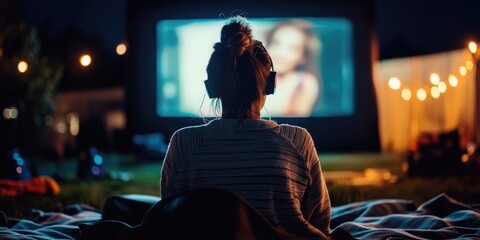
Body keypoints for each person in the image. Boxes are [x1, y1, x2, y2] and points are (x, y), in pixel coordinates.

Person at [160, 16, 331, 239]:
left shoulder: (183, 143)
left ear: (212, 86)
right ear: (269, 84)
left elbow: (168, 220)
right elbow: (320, 221)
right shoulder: (298, 140)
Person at [263, 19, 322, 117]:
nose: (281, 54)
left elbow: (292, 126)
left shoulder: (303, 83)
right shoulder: (255, 78)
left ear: (303, 57)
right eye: (276, 43)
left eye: (293, 48)